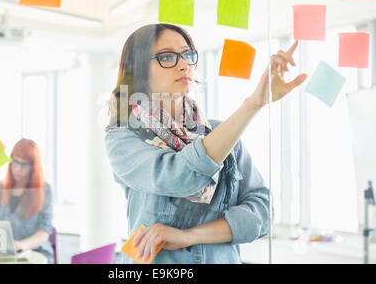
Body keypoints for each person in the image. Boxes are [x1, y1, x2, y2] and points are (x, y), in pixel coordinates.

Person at [104, 23, 307, 264]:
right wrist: (252, 104)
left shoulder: (221, 133)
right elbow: (180, 177)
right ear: (139, 70)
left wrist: (187, 236)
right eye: (167, 56)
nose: (183, 64)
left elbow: (262, 214)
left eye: (187, 54)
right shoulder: (124, 137)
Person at [0, 138, 54, 264]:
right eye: (15, 162)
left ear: (33, 167)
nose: (18, 169)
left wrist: (23, 245)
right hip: (1, 255)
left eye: (24, 165)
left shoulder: (44, 191)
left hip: (35, 253)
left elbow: (44, 231)